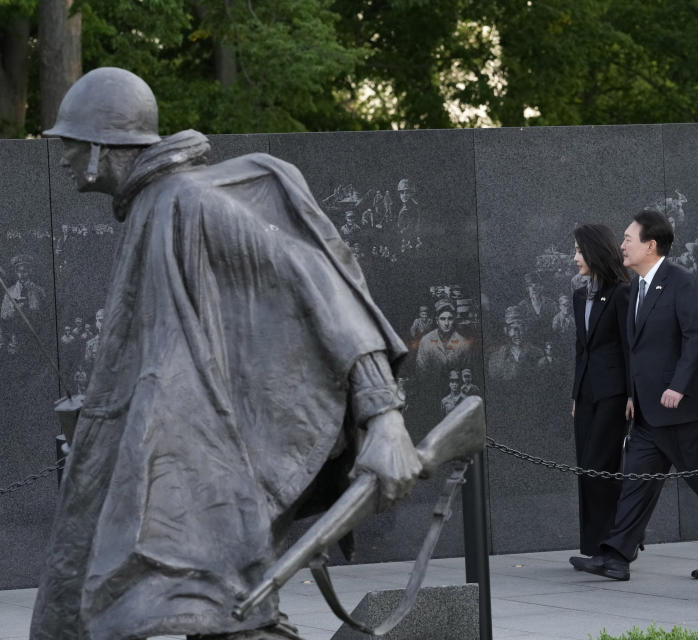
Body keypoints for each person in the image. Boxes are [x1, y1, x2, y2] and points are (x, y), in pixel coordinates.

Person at [33, 67, 423, 640]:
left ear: (99, 149)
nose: (63, 159)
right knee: (213, 614)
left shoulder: (184, 199)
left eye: (69, 144)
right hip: (190, 461)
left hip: (219, 467)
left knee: (227, 614)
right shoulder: (153, 205)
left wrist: (384, 417)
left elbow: (318, 281)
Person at [570, 209, 698, 581]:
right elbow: (634, 348)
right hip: (648, 413)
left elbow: (696, 336)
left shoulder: (681, 281)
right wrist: (632, 394)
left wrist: (678, 386)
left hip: (685, 410)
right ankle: (615, 556)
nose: (622, 246)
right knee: (635, 484)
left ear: (650, 244)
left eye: (628, 240)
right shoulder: (634, 289)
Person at [568, 223, 632, 557]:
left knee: (601, 465)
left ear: (594, 251)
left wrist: (632, 395)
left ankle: (619, 539)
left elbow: (628, 348)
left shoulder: (623, 292)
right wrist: (576, 394)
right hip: (587, 395)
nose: (575, 257)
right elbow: (582, 348)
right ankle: (594, 544)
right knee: (586, 467)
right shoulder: (580, 295)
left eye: (579, 250)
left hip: (614, 395)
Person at [415, 299, 469, 375]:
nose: (446, 323)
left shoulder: (463, 342)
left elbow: (466, 371)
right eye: (442, 319)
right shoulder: (425, 341)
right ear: (437, 321)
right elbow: (421, 371)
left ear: (454, 320)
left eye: (449, 319)